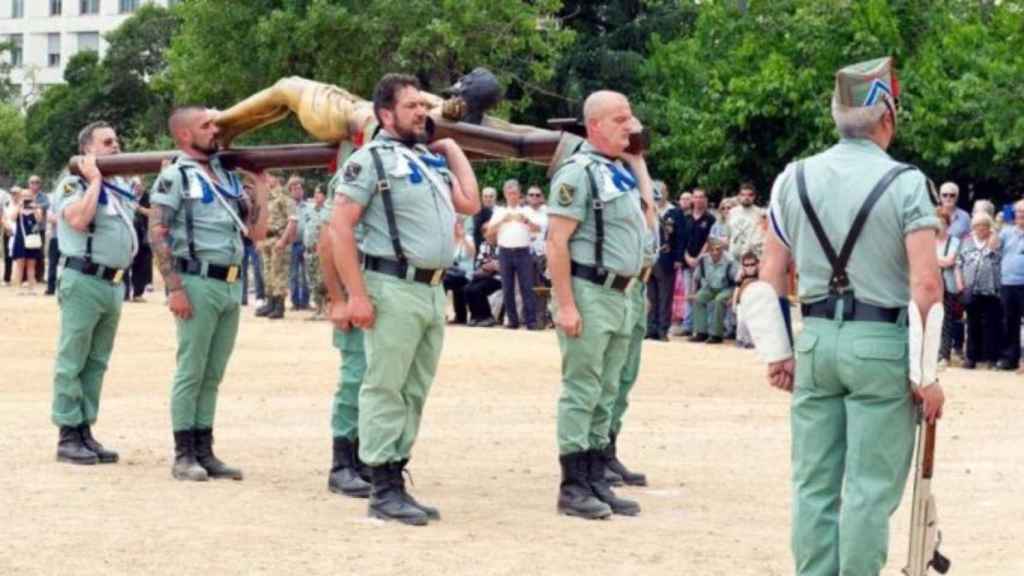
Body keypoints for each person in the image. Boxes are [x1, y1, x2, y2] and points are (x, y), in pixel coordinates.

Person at [759, 57, 944, 576]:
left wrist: (780, 351)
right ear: (888, 115)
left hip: (815, 339)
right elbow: (926, 284)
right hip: (881, 344)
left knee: (813, 484)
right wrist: (926, 375)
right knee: (867, 488)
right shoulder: (907, 183)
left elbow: (771, 274)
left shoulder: (791, 178)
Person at [329, 73, 480, 525]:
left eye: (422, 105)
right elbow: (340, 227)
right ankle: (383, 488)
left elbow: (469, 202)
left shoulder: (427, 160)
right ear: (386, 114)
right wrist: (355, 295)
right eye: (412, 106)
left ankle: (396, 473)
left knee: (414, 389)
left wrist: (451, 148)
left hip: (431, 288)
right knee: (384, 386)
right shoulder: (370, 159)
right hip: (391, 285)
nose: (422, 112)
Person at [546, 90, 654, 520]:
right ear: (594, 127)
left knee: (607, 390)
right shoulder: (578, 172)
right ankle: (573, 485)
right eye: (620, 119)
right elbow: (556, 242)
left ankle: (595, 477)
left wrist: (638, 161)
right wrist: (566, 304)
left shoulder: (618, 171)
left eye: (630, 118)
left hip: (622, 293)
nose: (631, 126)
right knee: (583, 388)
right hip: (590, 291)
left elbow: (647, 220)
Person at [149, 106, 270, 482]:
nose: (215, 130)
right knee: (192, 369)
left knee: (213, 371)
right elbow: (158, 232)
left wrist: (261, 188)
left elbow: (256, 233)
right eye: (206, 125)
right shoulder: (175, 176)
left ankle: (205, 448)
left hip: (230, 282)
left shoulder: (226, 176)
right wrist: (174, 288)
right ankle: (184, 452)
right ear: (184, 135)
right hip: (196, 281)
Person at [49, 121, 137, 465]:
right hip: (83, 279)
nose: (116, 146)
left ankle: (85, 427)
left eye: (117, 140)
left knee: (97, 362)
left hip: (113, 283)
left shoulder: (119, 189)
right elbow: (79, 221)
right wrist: (96, 180)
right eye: (107, 142)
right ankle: (68, 433)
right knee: (73, 358)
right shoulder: (74, 184)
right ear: (88, 151)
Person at [485, 178, 541, 329]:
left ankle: (531, 321)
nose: (512, 196)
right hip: (505, 252)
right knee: (507, 288)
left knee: (527, 287)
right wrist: (503, 220)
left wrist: (526, 221)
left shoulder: (526, 211)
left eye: (515, 193)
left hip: (523, 251)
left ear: (519, 194)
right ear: (505, 194)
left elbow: (538, 229)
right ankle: (512, 320)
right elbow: (489, 232)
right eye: (509, 193)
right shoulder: (500, 212)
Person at [956, 211, 1002, 369]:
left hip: (991, 289)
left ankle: (991, 359)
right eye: (978, 225)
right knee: (972, 324)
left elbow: (997, 255)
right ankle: (971, 358)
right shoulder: (966, 241)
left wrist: (993, 235)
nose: (981, 228)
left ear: (989, 227)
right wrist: (960, 284)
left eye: (985, 225)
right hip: (971, 288)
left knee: (991, 325)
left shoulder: (995, 240)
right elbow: (958, 263)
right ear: (973, 227)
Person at [647, 180, 685, 340]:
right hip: (649, 258)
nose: (658, 194)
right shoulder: (649, 210)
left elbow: (681, 237)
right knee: (651, 296)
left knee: (665, 296)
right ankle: (651, 328)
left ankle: (663, 329)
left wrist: (678, 258)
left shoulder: (675, 212)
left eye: (661, 191)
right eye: (654, 190)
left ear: (666, 193)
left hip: (667, 258)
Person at [256, 175, 296, 320]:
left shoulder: (284, 196)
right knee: (267, 272)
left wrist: (284, 240)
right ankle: (270, 302)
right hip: (266, 239)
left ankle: (279, 306)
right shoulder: (266, 197)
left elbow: (292, 221)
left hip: (279, 238)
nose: (266, 179)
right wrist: (258, 240)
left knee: (279, 273)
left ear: (277, 178)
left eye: (269, 176)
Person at [679, 188, 715, 336]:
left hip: (705, 263)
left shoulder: (710, 219)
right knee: (689, 293)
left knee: (703, 294)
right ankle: (688, 325)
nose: (698, 200)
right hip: (687, 262)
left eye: (702, 197)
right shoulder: (685, 218)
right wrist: (687, 257)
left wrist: (699, 257)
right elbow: (681, 240)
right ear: (692, 199)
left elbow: (710, 240)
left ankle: (702, 327)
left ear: (705, 200)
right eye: (696, 197)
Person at [689, 236, 738, 344]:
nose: (715, 252)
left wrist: (734, 297)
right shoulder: (703, 260)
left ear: (722, 249)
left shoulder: (730, 261)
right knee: (698, 299)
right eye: (712, 249)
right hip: (710, 287)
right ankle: (701, 332)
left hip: (727, 288)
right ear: (708, 250)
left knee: (718, 300)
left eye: (718, 249)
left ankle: (716, 335)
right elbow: (696, 278)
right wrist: (693, 293)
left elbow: (737, 281)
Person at [996, 200, 1024, 371]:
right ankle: (1009, 359)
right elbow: (993, 247)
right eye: (1019, 212)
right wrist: (997, 227)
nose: (1021, 215)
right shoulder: (1006, 232)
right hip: (1008, 283)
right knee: (1010, 322)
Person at [935, 206, 961, 367]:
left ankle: (944, 354)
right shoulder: (928, 240)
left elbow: (950, 261)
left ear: (948, 224)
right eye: (938, 223)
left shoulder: (955, 241)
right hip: (930, 283)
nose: (940, 227)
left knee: (946, 320)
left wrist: (932, 258)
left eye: (943, 223)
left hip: (947, 284)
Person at [6, 187, 44, 295]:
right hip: (20, 239)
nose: (26, 198)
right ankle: (18, 289)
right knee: (19, 265)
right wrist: (19, 205)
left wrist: (35, 207)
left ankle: (31, 289)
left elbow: (40, 219)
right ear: (20, 197)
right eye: (24, 196)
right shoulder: (18, 208)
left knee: (31, 265)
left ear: (32, 197)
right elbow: (12, 218)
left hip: (32, 239)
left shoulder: (36, 207)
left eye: (28, 196)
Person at [302, 184, 330, 319]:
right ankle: (318, 308)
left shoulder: (330, 211)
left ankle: (325, 309)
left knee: (323, 281)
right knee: (312, 280)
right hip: (309, 251)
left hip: (323, 251)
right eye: (315, 193)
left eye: (319, 193)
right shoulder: (309, 209)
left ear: (325, 195)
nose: (316, 195)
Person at [125, 177, 154, 301]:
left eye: (138, 185)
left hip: (144, 236)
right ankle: (124, 293)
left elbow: (154, 213)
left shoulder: (149, 197)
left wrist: (139, 208)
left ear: (144, 186)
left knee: (142, 264)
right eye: (134, 185)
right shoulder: (126, 195)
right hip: (129, 234)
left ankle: (138, 293)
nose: (136, 188)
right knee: (125, 263)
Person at [443, 219, 476, 325]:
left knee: (443, 281)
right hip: (452, 273)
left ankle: (452, 315)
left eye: (459, 225)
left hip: (465, 274)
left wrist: (463, 238)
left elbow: (472, 253)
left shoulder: (468, 238)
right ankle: (455, 316)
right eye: (455, 226)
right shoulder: (449, 241)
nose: (456, 228)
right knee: (440, 280)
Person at [463, 237, 502, 327]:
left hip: (499, 277)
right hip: (484, 274)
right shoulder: (484, 245)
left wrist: (493, 265)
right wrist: (489, 265)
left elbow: (503, 264)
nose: (487, 235)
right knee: (467, 288)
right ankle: (475, 316)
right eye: (484, 232)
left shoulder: (503, 245)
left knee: (478, 289)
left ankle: (487, 317)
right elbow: (480, 261)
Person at [287, 175, 311, 310]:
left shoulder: (309, 206)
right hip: (292, 244)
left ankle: (306, 302)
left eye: (300, 188)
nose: (298, 191)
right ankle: (295, 302)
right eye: (295, 189)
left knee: (306, 275)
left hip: (306, 244)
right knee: (293, 274)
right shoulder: (287, 206)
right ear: (290, 191)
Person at [732, 251, 760, 349]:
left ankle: (750, 341)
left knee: (752, 322)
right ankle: (740, 339)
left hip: (755, 302)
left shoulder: (760, 274)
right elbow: (737, 288)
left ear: (757, 263)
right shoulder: (741, 275)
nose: (749, 267)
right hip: (742, 302)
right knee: (741, 321)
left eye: (752, 264)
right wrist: (734, 303)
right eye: (746, 265)